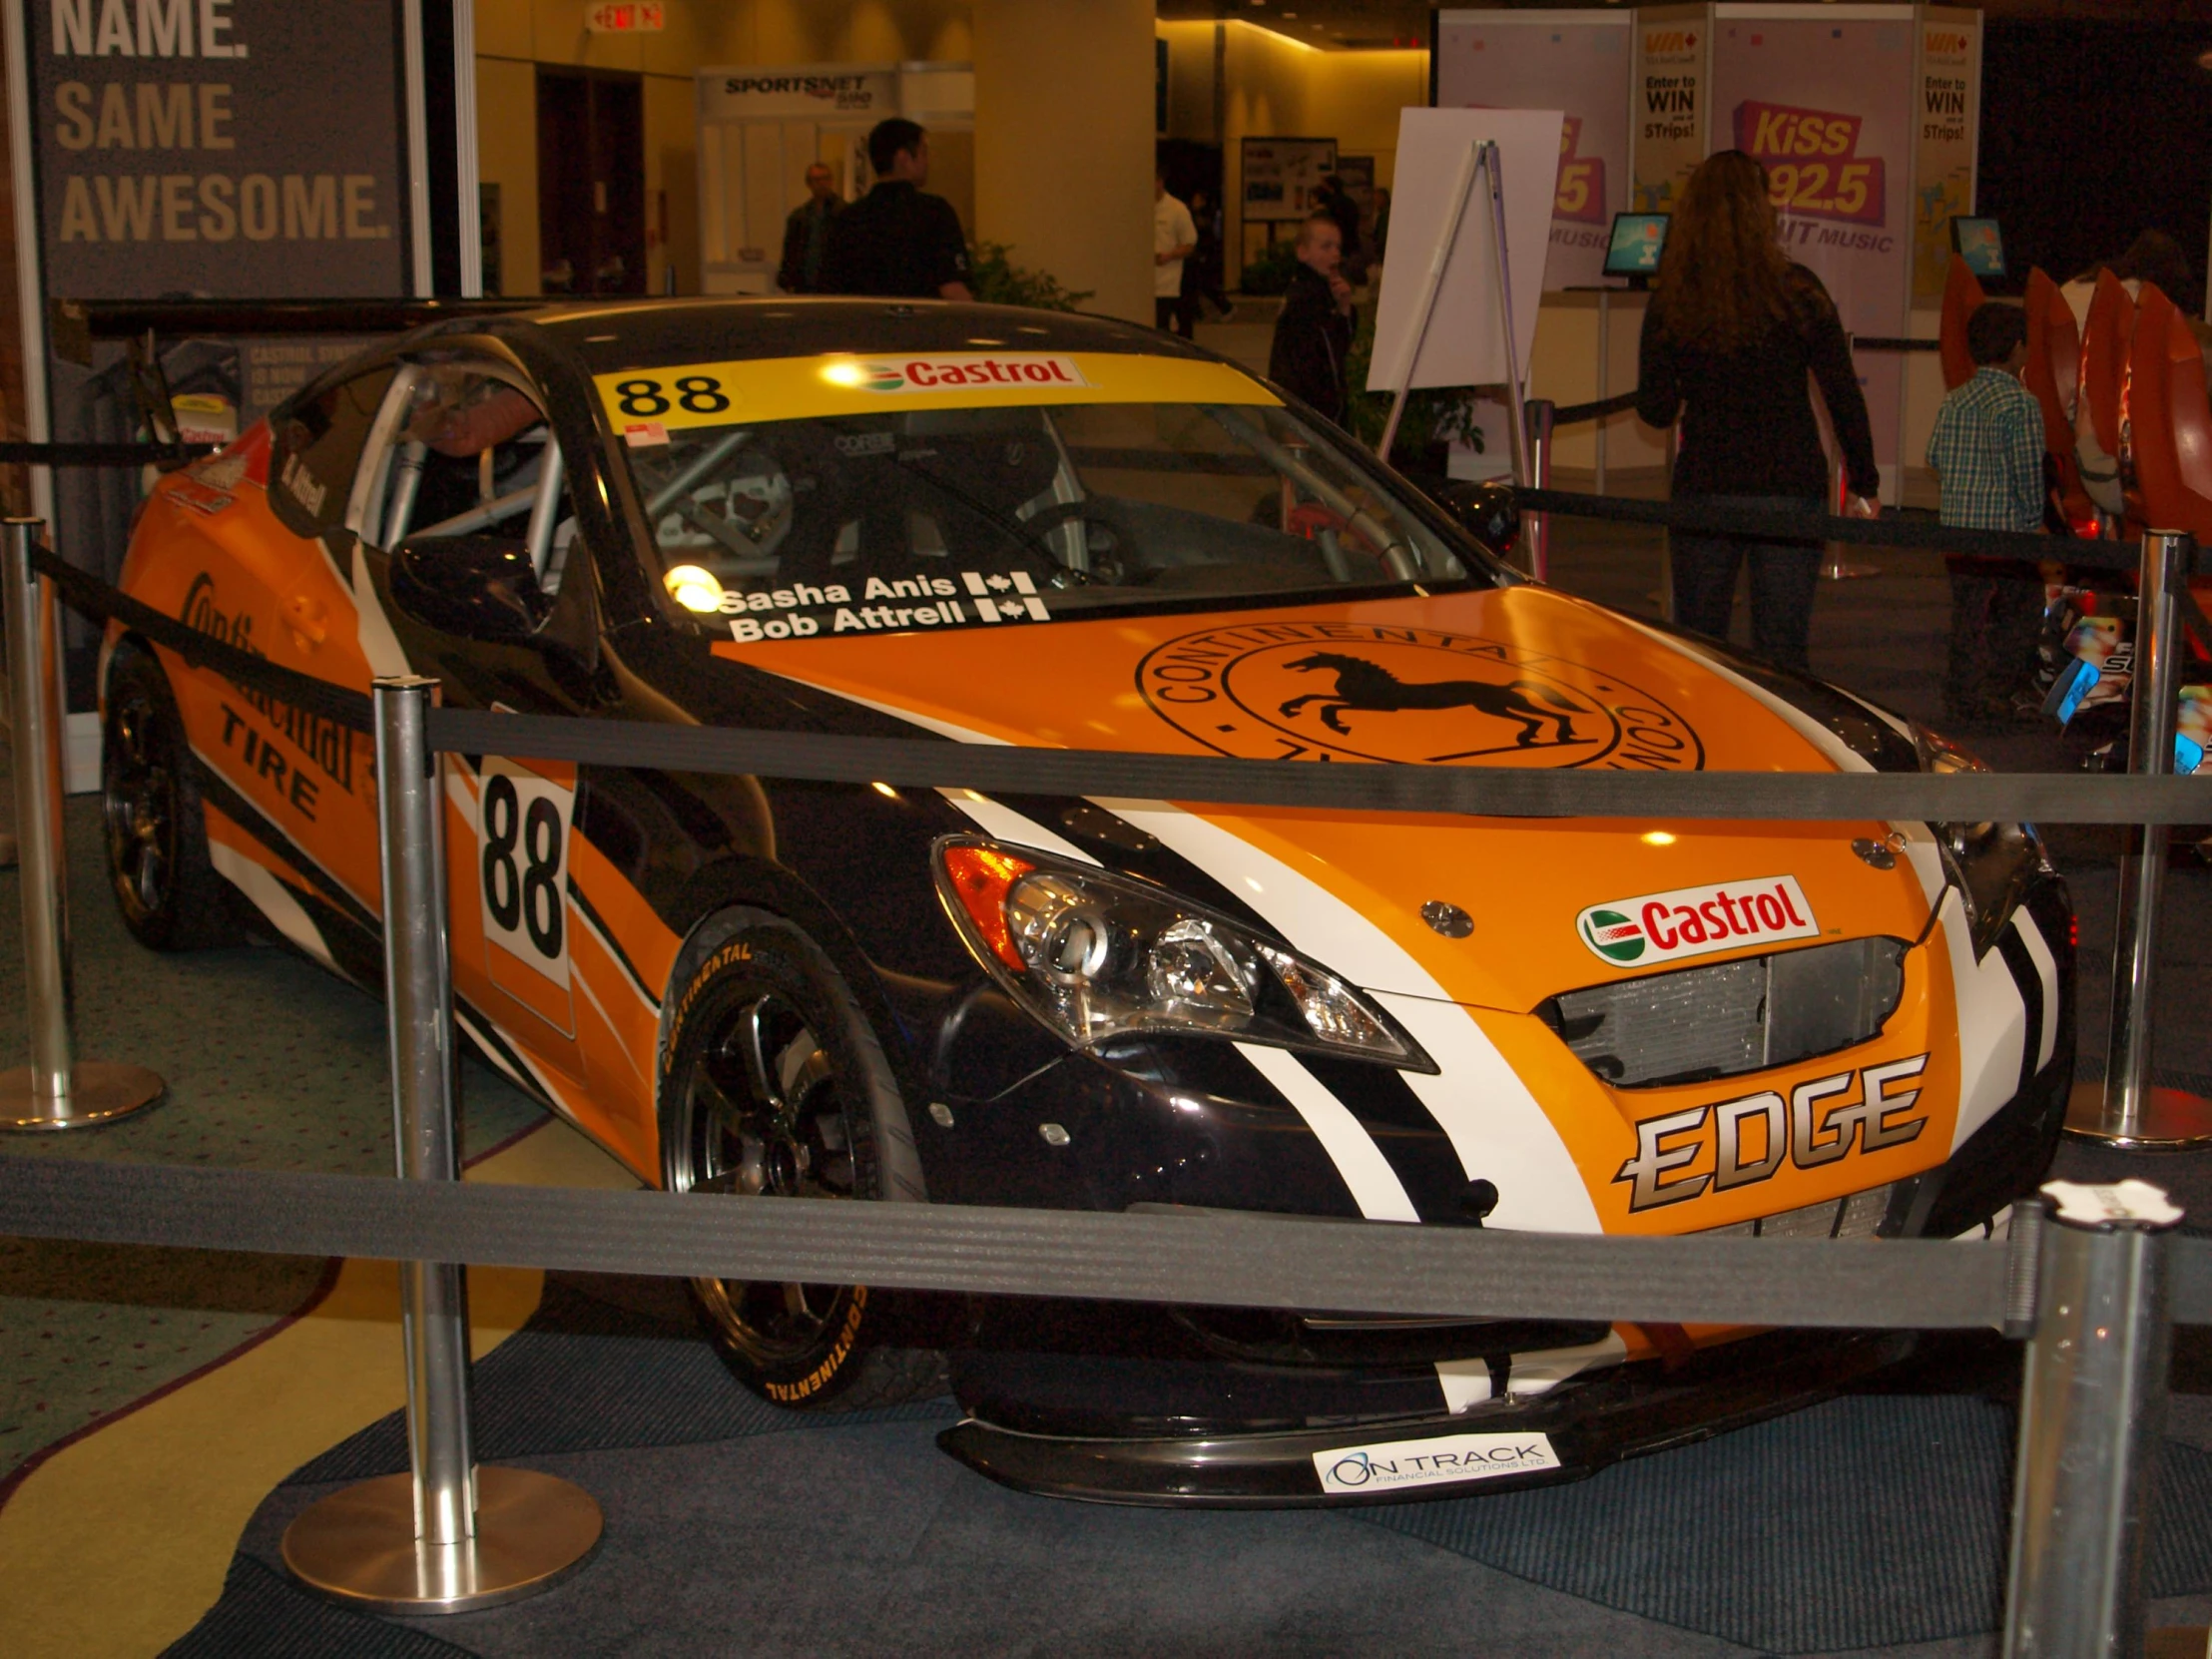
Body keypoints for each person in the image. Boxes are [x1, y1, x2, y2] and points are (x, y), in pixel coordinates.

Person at [1636, 149, 1879, 672]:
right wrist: (1865, 478)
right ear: (1761, 212)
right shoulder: (1799, 290)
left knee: (1702, 650)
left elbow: (1656, 410)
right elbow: (1841, 393)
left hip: (1706, 484)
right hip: (1790, 484)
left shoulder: (1673, 299)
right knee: (1783, 650)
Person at [1928, 302, 2049, 725]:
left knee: (1968, 614)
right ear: (2018, 348)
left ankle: (1962, 691)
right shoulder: (2021, 404)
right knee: (2022, 611)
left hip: (1958, 533)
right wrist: (2034, 522)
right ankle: (2000, 689)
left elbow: (1934, 456)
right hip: (2005, 536)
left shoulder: (1955, 399)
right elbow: (2027, 474)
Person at [818, 118, 972, 301]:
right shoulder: (934, 212)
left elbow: (831, 289)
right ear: (904, 158)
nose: (927, 162)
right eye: (923, 153)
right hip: (922, 325)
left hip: (866, 325)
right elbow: (951, 287)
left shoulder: (846, 219)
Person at [1269, 213, 1355, 425]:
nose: (1335, 254)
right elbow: (1294, 365)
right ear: (1302, 252)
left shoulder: (1325, 291)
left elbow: (1338, 348)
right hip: (1308, 412)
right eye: (1326, 247)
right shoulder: (1304, 298)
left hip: (1324, 409)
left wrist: (1344, 307)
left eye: (1337, 247)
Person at [777, 163, 843, 293]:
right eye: (817, 180)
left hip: (834, 284)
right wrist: (787, 281)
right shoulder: (799, 218)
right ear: (809, 183)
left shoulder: (843, 214)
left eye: (826, 178)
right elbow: (790, 252)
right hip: (805, 284)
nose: (822, 184)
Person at [1154, 172, 1198, 337]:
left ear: (1160, 182)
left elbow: (1189, 244)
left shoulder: (1176, 209)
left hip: (1167, 284)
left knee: (1163, 328)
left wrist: (1169, 255)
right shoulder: (1141, 207)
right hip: (1142, 285)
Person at [1183, 187, 1232, 321]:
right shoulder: (1193, 216)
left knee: (1204, 285)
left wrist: (1204, 254)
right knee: (1194, 286)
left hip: (1203, 256)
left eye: (1198, 200)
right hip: (1196, 256)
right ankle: (1197, 312)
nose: (1195, 202)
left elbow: (1208, 238)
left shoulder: (1205, 217)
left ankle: (1224, 307)